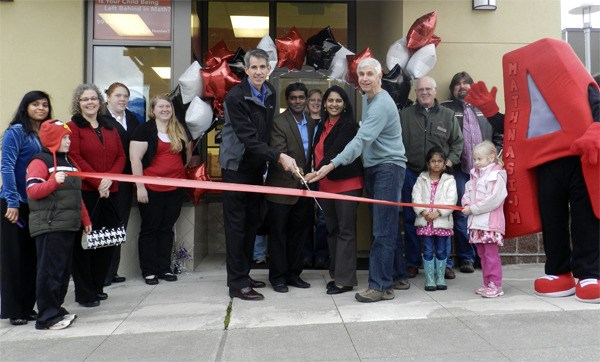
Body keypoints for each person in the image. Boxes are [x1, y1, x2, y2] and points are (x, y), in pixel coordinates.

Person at [464, 39, 599, 303]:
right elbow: (516, 129)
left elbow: (597, 108)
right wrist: (492, 112)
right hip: (544, 164)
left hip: (578, 158)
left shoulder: (578, 82)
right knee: (552, 219)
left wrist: (596, 130)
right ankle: (559, 272)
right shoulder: (526, 92)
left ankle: (590, 273)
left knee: (585, 218)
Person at [309, 57, 407, 303]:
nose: (364, 78)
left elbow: (360, 141)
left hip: (388, 168)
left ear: (379, 76)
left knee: (382, 230)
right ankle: (391, 280)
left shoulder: (381, 103)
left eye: (369, 74)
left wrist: (331, 164)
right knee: (386, 227)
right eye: (361, 74)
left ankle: (379, 286)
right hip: (374, 168)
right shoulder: (367, 97)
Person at [219, 48, 298, 301]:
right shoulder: (235, 97)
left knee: (251, 225)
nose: (258, 72)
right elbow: (249, 139)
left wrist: (270, 160)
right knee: (236, 227)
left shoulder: (271, 93)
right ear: (245, 69)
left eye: (262, 67)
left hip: (255, 168)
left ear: (269, 69)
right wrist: (278, 156)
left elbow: (266, 133)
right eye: (253, 67)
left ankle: (244, 273)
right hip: (235, 168)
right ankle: (237, 284)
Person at [26, 119, 91, 330]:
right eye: (64, 138)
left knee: (62, 272)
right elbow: (32, 191)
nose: (68, 141)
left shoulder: (68, 161)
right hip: (50, 226)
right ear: (53, 139)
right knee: (49, 272)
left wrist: (85, 219)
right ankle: (46, 317)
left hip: (68, 225)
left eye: (69, 137)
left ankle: (56, 308)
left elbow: (75, 194)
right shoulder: (39, 161)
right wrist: (53, 181)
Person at [68, 83, 126, 307]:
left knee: (107, 242)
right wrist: (97, 181)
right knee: (86, 245)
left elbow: (121, 156)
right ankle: (84, 293)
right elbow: (74, 157)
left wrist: (109, 179)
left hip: (110, 192)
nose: (90, 102)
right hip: (86, 193)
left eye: (93, 98)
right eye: (85, 99)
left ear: (100, 102)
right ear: (78, 103)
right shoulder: (72, 127)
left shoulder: (109, 126)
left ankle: (98, 286)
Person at [400, 76, 463, 280]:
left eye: (428, 89)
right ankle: (412, 262)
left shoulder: (447, 115)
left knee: (443, 217)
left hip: (440, 177)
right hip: (411, 173)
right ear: (415, 93)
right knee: (412, 219)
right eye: (420, 90)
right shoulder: (405, 115)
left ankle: (444, 264)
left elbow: (457, 142)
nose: (424, 93)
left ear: (435, 91)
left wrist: (449, 163)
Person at [441, 72, 503, 275]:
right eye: (457, 84)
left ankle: (482, 256)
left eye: (466, 83)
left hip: (485, 171)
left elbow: (500, 132)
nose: (462, 87)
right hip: (459, 169)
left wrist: (497, 156)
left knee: (485, 212)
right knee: (462, 213)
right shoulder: (446, 109)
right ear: (452, 89)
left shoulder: (484, 108)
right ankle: (466, 257)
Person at [0, 91, 52, 326]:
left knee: (32, 258)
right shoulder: (16, 132)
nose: (41, 108)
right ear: (26, 106)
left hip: (36, 205)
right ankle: (15, 310)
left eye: (45, 105)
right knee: (14, 259)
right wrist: (12, 202)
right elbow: (7, 168)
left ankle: (28, 306)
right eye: (35, 104)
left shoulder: (45, 133)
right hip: (15, 205)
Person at [307, 85, 363, 295]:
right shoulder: (321, 126)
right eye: (330, 100)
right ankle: (336, 274)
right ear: (324, 103)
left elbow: (334, 152)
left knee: (345, 231)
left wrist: (316, 172)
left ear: (345, 104)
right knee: (332, 230)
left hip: (347, 185)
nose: (334, 104)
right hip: (325, 185)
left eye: (338, 101)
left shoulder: (348, 126)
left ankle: (345, 280)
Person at [130, 95, 190, 285]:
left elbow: (186, 155)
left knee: (166, 229)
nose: (165, 109)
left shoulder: (178, 128)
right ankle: (149, 271)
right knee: (150, 229)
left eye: (168, 106)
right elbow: (135, 159)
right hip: (151, 188)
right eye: (161, 106)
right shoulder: (144, 130)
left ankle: (164, 268)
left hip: (175, 188)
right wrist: (140, 186)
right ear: (153, 110)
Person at [264, 82, 314, 293]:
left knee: (298, 235)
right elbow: (279, 152)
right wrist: (300, 172)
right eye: (293, 98)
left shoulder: (312, 122)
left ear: (306, 99)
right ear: (287, 100)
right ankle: (277, 277)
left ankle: (294, 274)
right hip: (281, 188)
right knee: (278, 236)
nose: (297, 101)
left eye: (301, 97)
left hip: (304, 189)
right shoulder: (278, 122)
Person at [102, 82, 140, 286]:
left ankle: (112, 271)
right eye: (118, 95)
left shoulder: (132, 118)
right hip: (105, 181)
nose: (122, 99)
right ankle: (102, 273)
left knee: (119, 225)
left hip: (125, 181)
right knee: (105, 226)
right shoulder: (101, 119)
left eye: (126, 95)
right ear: (108, 97)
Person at [462, 141, 508, 298]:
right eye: (475, 159)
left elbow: (495, 199)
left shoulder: (497, 175)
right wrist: (466, 203)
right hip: (477, 224)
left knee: (490, 255)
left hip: (490, 224)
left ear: (491, 157)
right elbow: (467, 193)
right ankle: (487, 283)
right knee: (482, 254)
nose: (476, 162)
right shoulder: (474, 176)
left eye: (479, 159)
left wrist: (472, 209)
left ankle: (496, 284)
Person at [412, 147, 457, 292]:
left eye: (439, 161)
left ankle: (440, 277)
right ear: (427, 163)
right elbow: (415, 197)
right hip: (426, 222)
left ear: (445, 164)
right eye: (433, 161)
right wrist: (423, 212)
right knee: (428, 249)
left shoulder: (450, 180)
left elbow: (452, 200)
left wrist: (438, 212)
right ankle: (430, 278)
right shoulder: (421, 179)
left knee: (442, 250)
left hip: (441, 222)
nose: (436, 164)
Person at [304, 88, 328, 269]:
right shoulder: (301, 121)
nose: (316, 103)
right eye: (312, 100)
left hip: (322, 175)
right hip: (304, 175)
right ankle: (305, 254)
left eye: (319, 100)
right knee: (304, 216)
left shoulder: (327, 122)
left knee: (322, 218)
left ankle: (320, 255)